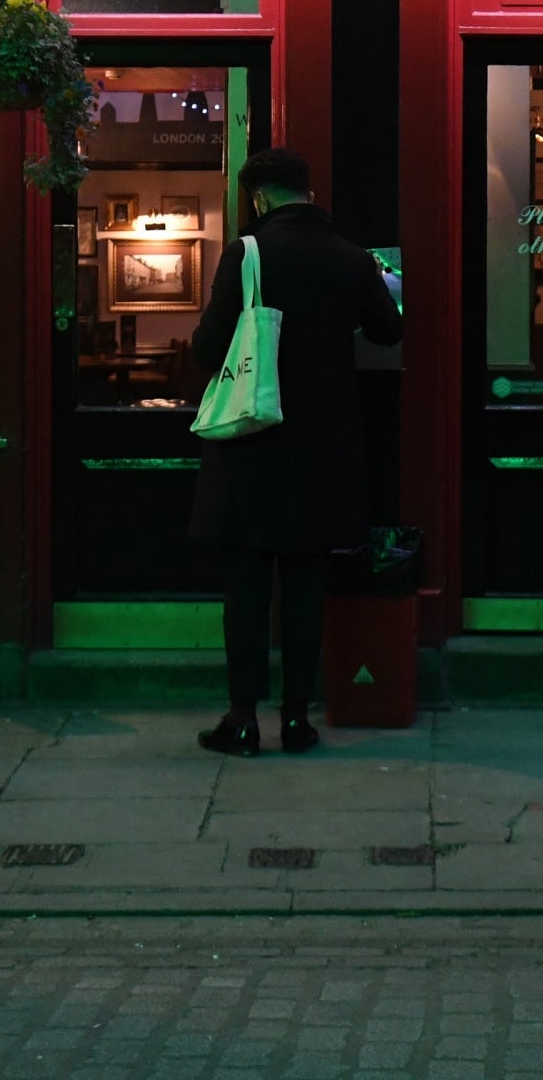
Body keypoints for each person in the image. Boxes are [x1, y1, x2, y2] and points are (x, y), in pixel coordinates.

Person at [190, 147, 404, 757]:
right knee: (307, 582)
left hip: (253, 443)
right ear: (307, 192)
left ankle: (240, 719)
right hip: (322, 448)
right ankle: (296, 720)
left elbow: (209, 349)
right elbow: (389, 330)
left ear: (258, 197)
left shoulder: (248, 253)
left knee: (247, 585)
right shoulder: (352, 258)